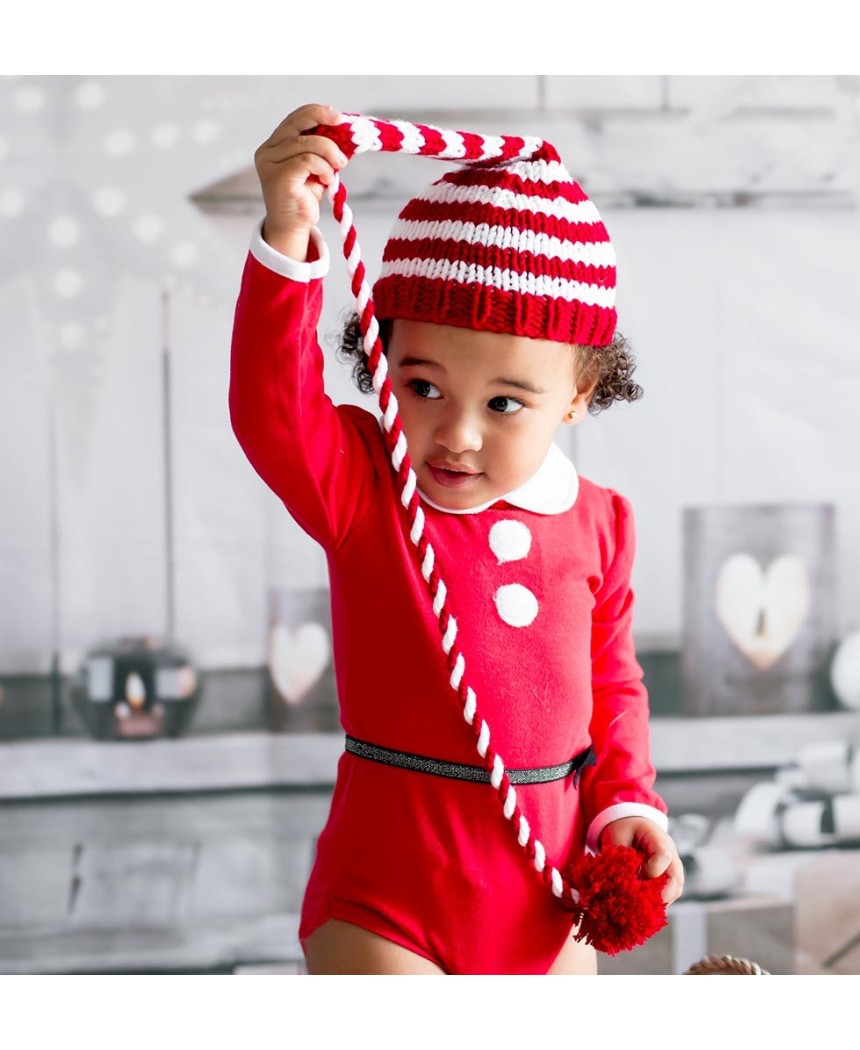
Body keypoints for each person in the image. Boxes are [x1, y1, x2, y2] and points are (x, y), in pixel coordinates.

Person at [229, 102, 684, 975]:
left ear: (581, 392)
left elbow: (614, 683)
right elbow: (271, 412)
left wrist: (626, 805)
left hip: (549, 898)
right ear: (382, 357)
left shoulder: (601, 522)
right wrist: (289, 234)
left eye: (504, 403)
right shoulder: (365, 484)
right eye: (423, 385)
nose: (457, 434)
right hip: (386, 896)